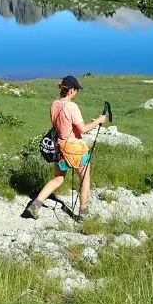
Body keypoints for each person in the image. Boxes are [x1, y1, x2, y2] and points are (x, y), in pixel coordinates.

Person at [22, 76, 107, 220]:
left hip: (59, 148)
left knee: (58, 179)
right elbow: (83, 129)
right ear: (71, 90)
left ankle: (34, 206)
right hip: (75, 149)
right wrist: (98, 120)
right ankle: (83, 214)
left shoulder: (54, 104)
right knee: (84, 180)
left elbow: (61, 126)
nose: (76, 93)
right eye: (76, 90)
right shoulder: (72, 106)